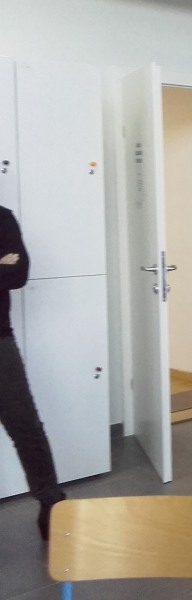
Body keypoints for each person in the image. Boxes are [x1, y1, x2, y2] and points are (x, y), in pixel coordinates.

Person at [0, 204, 65, 541]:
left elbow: (17, 274)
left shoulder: (2, 217)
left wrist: (7, 267)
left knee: (25, 426)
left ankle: (52, 503)